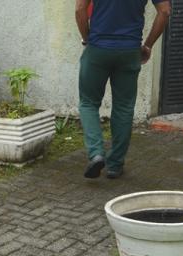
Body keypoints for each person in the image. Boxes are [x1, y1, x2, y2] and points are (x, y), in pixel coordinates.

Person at [75, 0, 170, 179]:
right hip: (130, 50)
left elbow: (80, 9)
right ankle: (115, 165)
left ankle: (96, 153)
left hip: (98, 48)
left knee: (88, 103)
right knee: (124, 107)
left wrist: (87, 40)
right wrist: (148, 45)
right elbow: (164, 12)